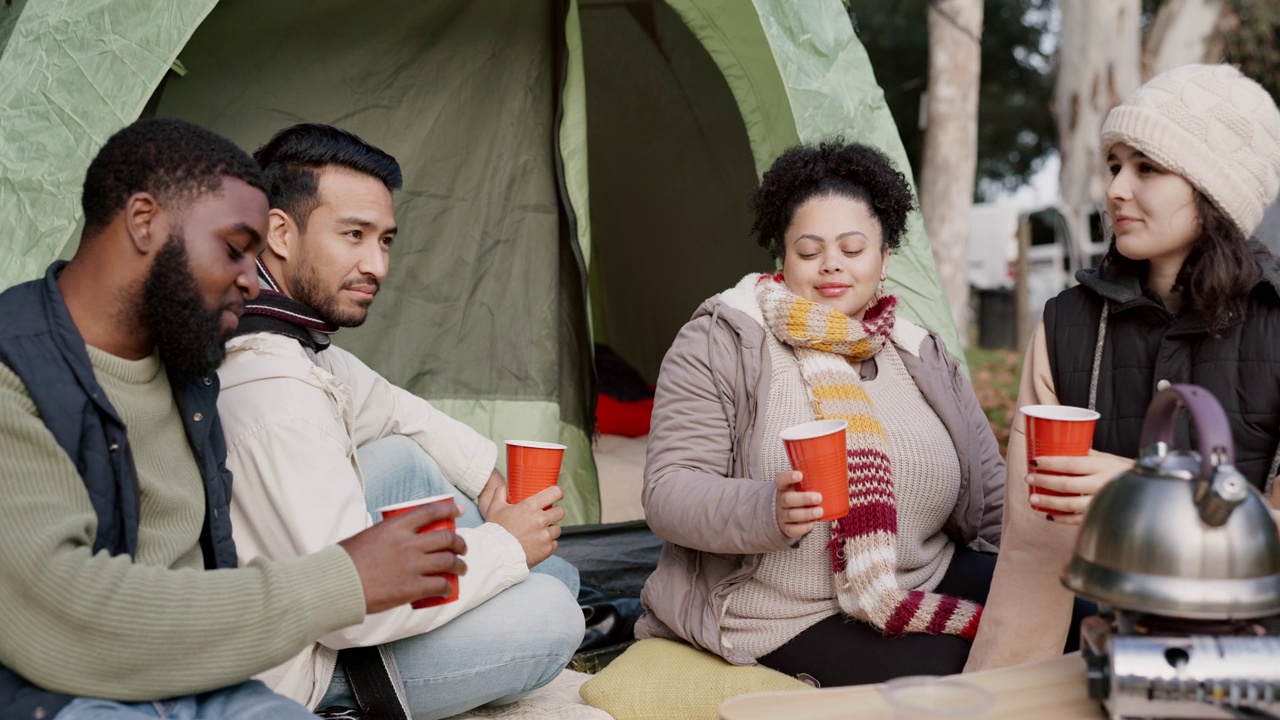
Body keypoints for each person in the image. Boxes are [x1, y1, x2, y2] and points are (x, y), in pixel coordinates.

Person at [0, 118, 468, 719]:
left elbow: (363, 390)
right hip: (61, 695)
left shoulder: (187, 364)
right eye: (234, 249)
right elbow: (62, 618)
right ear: (145, 223)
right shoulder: (15, 370)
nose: (252, 279)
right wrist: (342, 577)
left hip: (202, 673)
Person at [215, 123, 585, 719]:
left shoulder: (279, 329)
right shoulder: (276, 396)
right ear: (280, 232)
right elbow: (349, 606)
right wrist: (505, 547)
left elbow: (392, 406)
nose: (377, 265)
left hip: (304, 583)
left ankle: (509, 573)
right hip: (295, 665)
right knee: (552, 611)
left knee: (407, 456)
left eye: (385, 240)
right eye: (353, 235)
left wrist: (491, 488)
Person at [634, 140, 1005, 686]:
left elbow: (989, 491)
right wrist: (769, 509)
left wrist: (1022, 565)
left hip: (924, 575)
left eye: (852, 248)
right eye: (808, 251)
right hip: (781, 609)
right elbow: (668, 491)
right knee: (963, 671)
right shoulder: (723, 340)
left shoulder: (918, 352)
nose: (831, 263)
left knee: (1072, 615)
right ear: (783, 260)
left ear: (884, 258)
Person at [966, 63, 1280, 671]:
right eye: (1115, 165)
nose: (1115, 189)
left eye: (1148, 167)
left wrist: (1144, 490)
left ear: (1215, 190)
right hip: (1116, 650)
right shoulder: (1064, 326)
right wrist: (988, 703)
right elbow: (1033, 557)